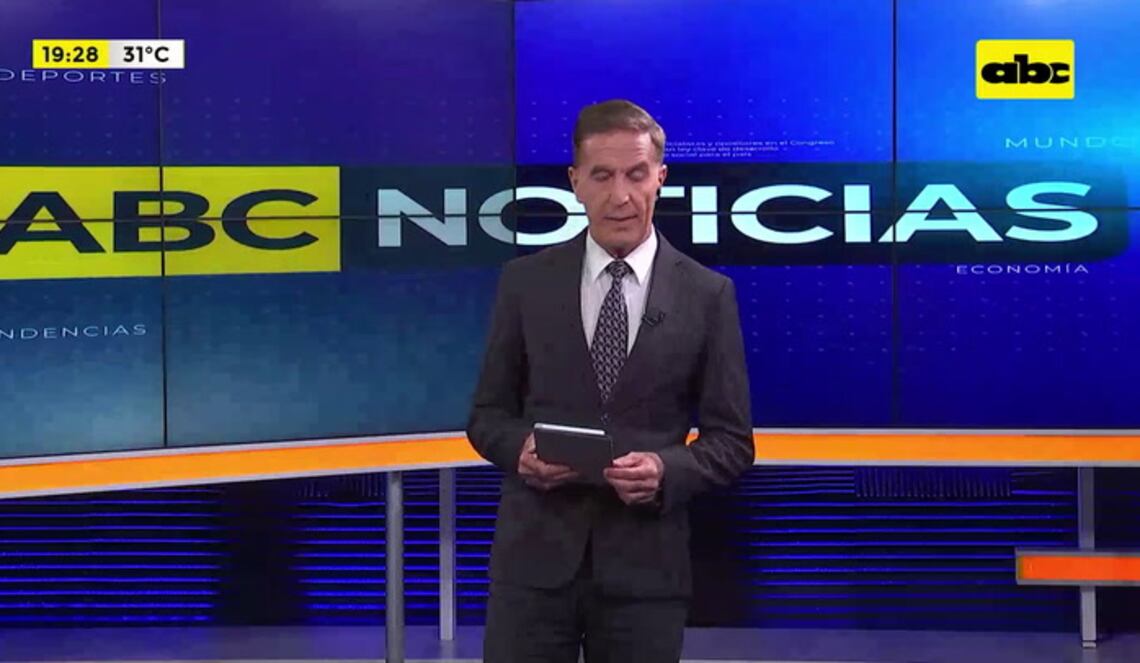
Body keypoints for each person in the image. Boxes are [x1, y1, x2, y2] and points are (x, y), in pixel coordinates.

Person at [466, 99, 754, 663]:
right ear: (575, 182)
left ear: (660, 178)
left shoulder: (707, 295)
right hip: (533, 570)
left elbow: (732, 442)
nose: (620, 196)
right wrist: (520, 451)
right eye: (602, 176)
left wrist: (666, 470)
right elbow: (486, 416)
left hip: (646, 574)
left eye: (636, 175)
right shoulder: (526, 282)